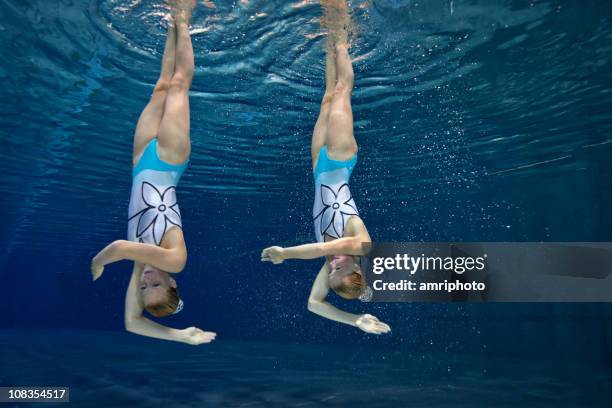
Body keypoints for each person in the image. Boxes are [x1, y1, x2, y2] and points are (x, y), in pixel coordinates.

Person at [261, 0, 390, 335]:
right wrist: (285, 254)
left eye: (331, 272)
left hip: (320, 165)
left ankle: (332, 34)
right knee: (343, 92)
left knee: (327, 98)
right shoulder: (360, 246)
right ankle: (342, 34)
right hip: (341, 158)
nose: (333, 265)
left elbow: (314, 304)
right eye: (340, 268)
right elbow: (322, 249)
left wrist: (356, 320)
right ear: (357, 267)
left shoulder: (336, 263)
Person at [91, 1, 215, 345]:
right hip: (170, 160)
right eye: (155, 285)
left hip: (140, 163)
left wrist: (182, 337)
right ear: (172, 282)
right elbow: (116, 248)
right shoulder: (174, 260)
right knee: (179, 84)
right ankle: (185, 17)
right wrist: (98, 263)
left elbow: (132, 324)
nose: (145, 280)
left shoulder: (140, 265)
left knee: (161, 85)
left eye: (143, 288)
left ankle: (174, 17)